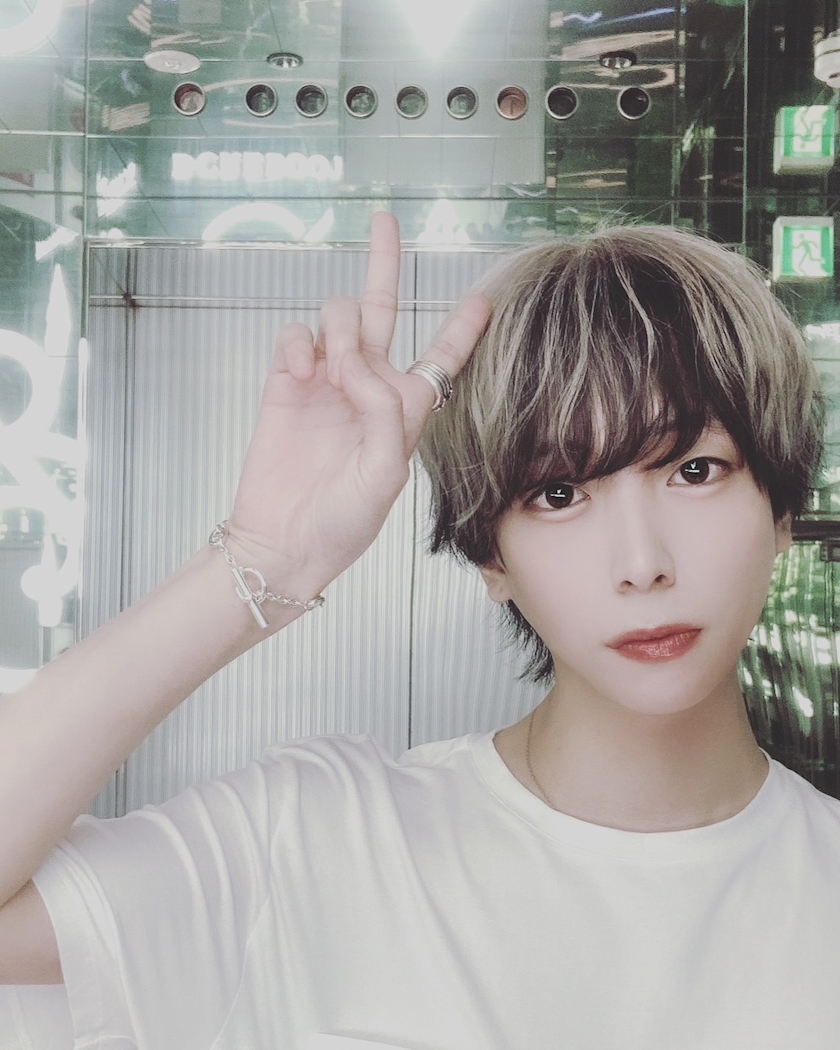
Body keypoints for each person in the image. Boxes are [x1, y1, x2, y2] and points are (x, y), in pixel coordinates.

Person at [1, 212, 838, 1050]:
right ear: (489, 555)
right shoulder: (317, 844)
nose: (642, 563)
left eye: (695, 469)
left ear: (781, 512)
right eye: (558, 493)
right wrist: (260, 560)